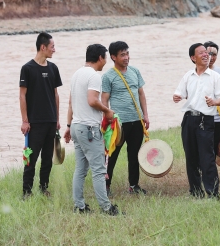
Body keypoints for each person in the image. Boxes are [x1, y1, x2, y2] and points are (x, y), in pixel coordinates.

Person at [63, 44, 120, 215]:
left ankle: (79, 206)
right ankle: (106, 207)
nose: (106, 62)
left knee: (80, 169)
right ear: (100, 58)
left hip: (76, 126)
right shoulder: (94, 76)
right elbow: (92, 100)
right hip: (88, 129)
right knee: (99, 169)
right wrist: (108, 111)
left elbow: (71, 103)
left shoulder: (76, 74)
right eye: (106, 58)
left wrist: (68, 126)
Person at [173, 43, 220, 199]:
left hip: (206, 120)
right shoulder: (188, 76)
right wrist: (177, 97)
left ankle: (212, 193)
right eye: (202, 53)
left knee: (207, 158)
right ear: (193, 57)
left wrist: (214, 102)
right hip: (189, 119)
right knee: (191, 157)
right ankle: (196, 192)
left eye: (207, 52)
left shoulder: (215, 76)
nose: (206, 55)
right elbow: (179, 93)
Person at [101, 41, 149, 195]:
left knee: (134, 154)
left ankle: (133, 186)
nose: (126, 57)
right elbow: (104, 100)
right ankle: (106, 187)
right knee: (112, 155)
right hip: (119, 123)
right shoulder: (108, 76)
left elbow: (141, 94)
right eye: (122, 55)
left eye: (127, 53)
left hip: (137, 120)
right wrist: (106, 119)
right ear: (113, 57)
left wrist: (145, 115)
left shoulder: (135, 71)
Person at [19, 32, 62, 199]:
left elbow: (56, 95)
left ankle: (44, 188)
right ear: (43, 47)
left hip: (51, 121)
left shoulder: (53, 68)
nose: (54, 50)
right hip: (34, 123)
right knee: (30, 158)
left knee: (47, 159)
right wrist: (25, 120)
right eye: (52, 47)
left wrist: (57, 119)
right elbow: (22, 95)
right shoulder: (27, 68)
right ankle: (26, 192)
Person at [203, 41, 220, 158]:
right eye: (209, 53)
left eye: (214, 54)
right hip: (203, 117)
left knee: (214, 147)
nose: (211, 57)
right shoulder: (197, 71)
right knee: (203, 147)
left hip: (218, 118)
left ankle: (211, 174)